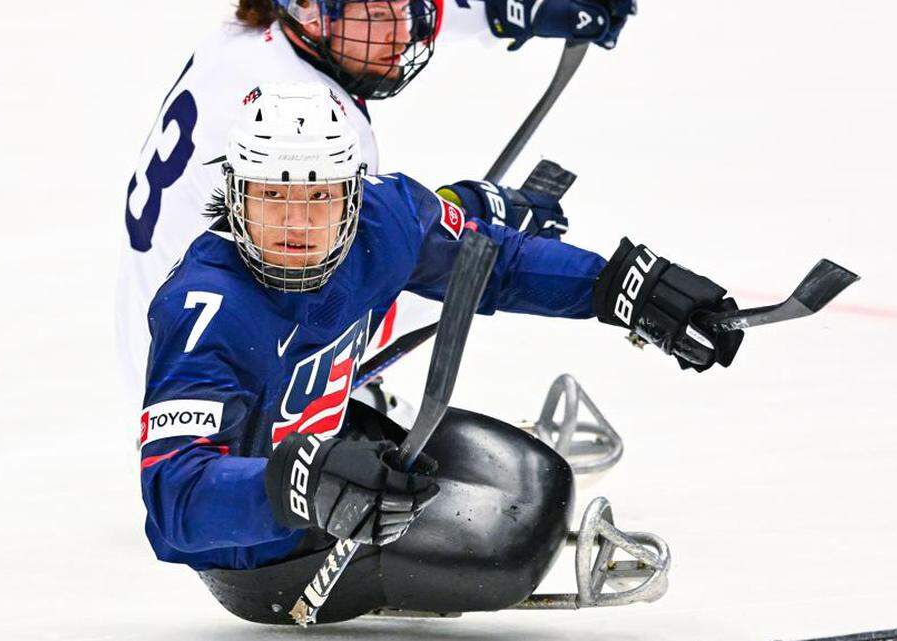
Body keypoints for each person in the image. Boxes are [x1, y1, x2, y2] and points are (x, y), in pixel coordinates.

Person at [139, 83, 741, 623]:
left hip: (326, 440)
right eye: (273, 196)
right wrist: (302, 485)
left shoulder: (384, 219)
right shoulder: (206, 309)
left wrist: (619, 289)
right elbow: (174, 494)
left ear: (354, 195)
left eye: (319, 197)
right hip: (263, 560)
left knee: (534, 479)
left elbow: (494, 262)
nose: (297, 225)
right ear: (236, 196)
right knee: (504, 547)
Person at [118, 0, 637, 411]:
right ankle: (327, 414)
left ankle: (346, 400)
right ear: (311, 12)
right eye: (382, 17)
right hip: (219, 384)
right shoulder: (303, 114)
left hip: (187, 324)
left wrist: (506, 8)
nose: (403, 34)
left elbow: (372, 13)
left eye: (408, 10)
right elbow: (365, 276)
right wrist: (470, 225)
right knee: (443, 278)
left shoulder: (248, 39)